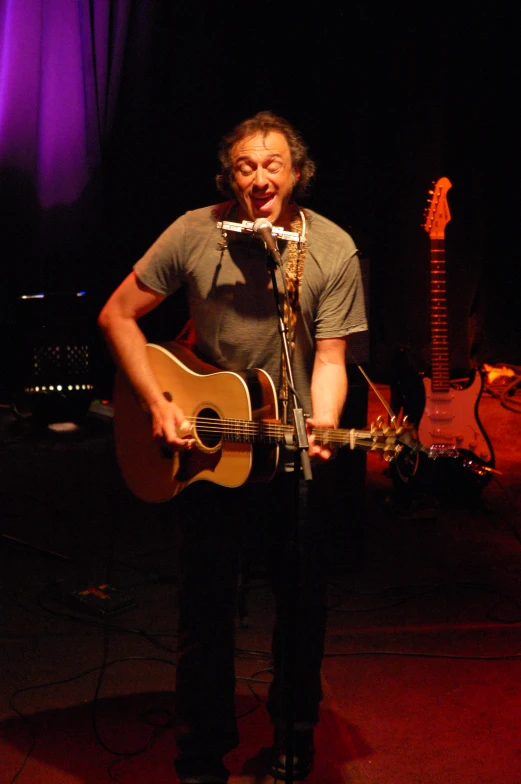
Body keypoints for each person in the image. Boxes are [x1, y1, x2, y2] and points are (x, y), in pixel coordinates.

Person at [98, 111, 368, 783]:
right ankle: (199, 756)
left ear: (297, 174)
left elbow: (330, 359)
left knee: (302, 607)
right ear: (231, 177)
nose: (259, 178)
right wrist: (159, 402)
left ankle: (293, 740)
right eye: (245, 167)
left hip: (286, 455)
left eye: (272, 165)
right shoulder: (195, 233)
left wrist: (324, 423)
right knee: (205, 611)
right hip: (206, 453)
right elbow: (117, 315)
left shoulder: (331, 249)